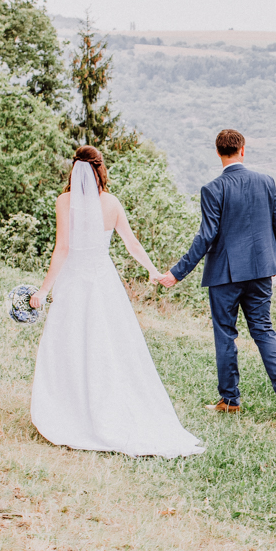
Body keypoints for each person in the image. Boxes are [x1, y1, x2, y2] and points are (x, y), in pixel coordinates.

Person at [28, 146, 205, 458]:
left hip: (73, 281)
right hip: (102, 282)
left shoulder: (64, 202)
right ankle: (104, 406)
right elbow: (131, 242)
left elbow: (62, 250)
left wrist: (43, 291)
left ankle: (71, 409)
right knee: (107, 346)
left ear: (74, 169)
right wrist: (152, 270)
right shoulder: (111, 204)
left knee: (69, 344)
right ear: (100, 169)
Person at [159, 129, 276, 418]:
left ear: (218, 153)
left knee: (225, 335)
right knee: (263, 329)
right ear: (242, 150)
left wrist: (176, 273)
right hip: (261, 271)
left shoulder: (212, 189)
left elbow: (205, 237)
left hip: (225, 275)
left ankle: (230, 401)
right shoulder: (266, 182)